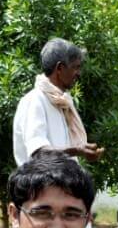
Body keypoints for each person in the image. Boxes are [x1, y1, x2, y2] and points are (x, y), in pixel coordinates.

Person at [12, 38, 104, 166]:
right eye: (75, 67)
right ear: (60, 68)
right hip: (40, 185)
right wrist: (77, 150)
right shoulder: (34, 100)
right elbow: (39, 154)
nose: (78, 74)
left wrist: (81, 152)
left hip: (60, 184)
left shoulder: (61, 103)